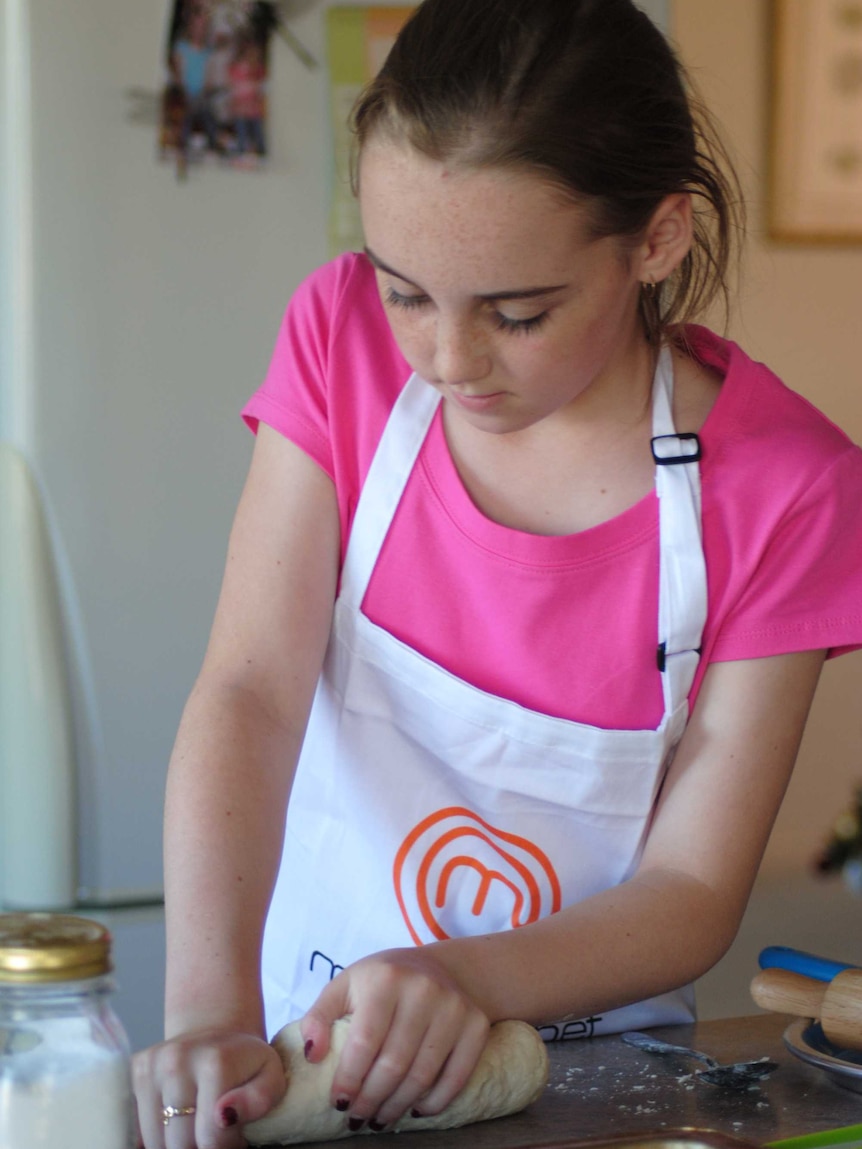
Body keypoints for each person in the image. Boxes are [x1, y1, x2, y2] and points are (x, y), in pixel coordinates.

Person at [132, 0, 862, 1145]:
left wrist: (464, 978)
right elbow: (251, 694)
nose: (445, 358)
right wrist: (209, 1008)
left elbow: (689, 893)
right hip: (297, 1065)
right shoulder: (339, 344)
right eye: (405, 288)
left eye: (516, 314)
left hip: (593, 1099)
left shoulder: (788, 489)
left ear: (657, 239)